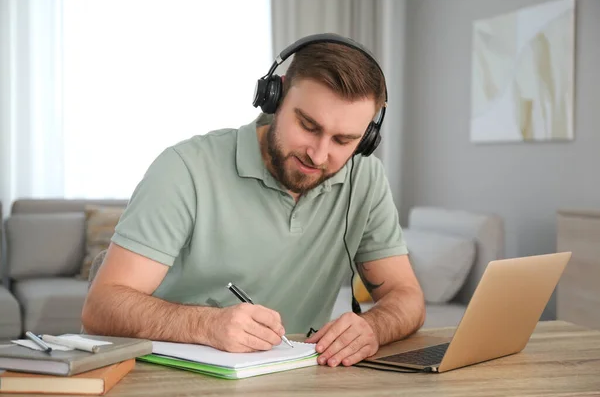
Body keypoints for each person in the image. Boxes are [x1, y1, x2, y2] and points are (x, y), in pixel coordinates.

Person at [81, 33, 425, 368]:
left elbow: (406, 295)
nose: (319, 155)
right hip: (163, 377)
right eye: (308, 125)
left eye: (343, 140)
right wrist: (205, 325)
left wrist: (373, 327)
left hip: (287, 378)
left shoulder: (366, 178)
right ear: (276, 95)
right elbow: (102, 306)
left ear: (367, 138)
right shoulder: (185, 168)